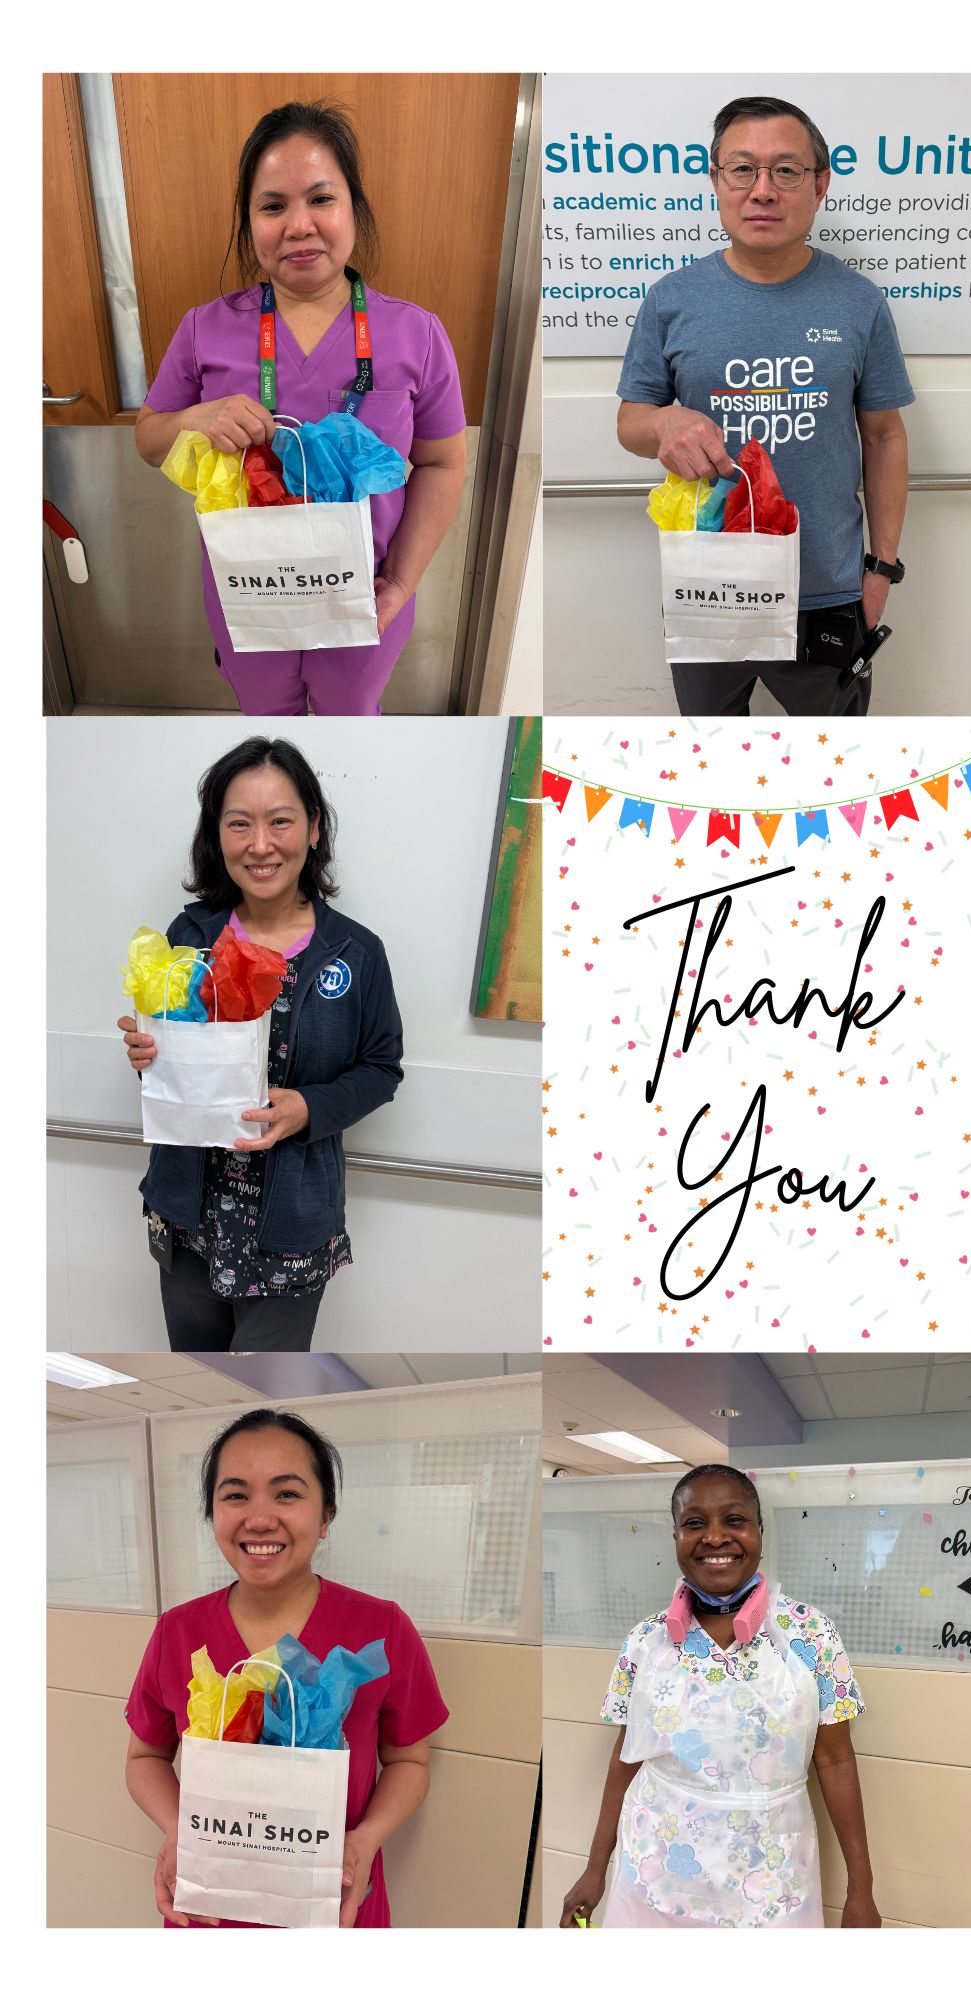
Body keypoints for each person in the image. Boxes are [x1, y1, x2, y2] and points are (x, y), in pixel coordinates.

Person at [134, 100, 467, 716]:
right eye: (272, 206)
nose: (299, 225)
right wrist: (193, 419)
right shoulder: (206, 329)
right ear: (249, 223)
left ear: (353, 209)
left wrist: (399, 583)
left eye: (321, 199)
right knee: (267, 725)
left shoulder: (416, 334)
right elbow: (149, 440)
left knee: (350, 721)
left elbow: (442, 462)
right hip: (249, 594)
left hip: (365, 598)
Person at [618, 94, 913, 718]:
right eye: (742, 170)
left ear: (820, 185)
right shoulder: (671, 300)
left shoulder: (859, 302)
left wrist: (881, 569)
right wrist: (664, 421)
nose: (763, 190)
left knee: (835, 758)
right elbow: (631, 422)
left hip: (827, 588)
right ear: (716, 181)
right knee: (711, 756)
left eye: (785, 170)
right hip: (708, 584)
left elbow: (885, 436)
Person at [116, 737, 403, 1351]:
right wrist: (147, 1056)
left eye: (280, 821)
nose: (260, 844)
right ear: (217, 835)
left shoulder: (356, 952)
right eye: (239, 823)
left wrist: (308, 1108)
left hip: (292, 1222)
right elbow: (178, 1060)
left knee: (272, 1384)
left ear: (314, 828)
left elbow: (382, 1068)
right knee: (197, 1375)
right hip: (188, 1212)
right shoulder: (190, 933)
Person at [124, 1407, 448, 1927]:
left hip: (334, 1904)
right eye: (235, 1495)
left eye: (287, 1494)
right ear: (213, 1514)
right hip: (208, 1911)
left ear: (325, 1517)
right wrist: (177, 1827)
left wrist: (366, 1840)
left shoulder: (382, 1630)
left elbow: (410, 1761)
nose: (259, 1519)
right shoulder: (177, 1632)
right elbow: (145, 1756)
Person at [561, 1463, 881, 1928]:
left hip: (770, 1882)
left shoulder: (811, 1635)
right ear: (676, 1536)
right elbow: (625, 1758)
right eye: (694, 1523)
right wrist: (595, 1868)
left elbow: (835, 1761)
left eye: (734, 1520)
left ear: (759, 1532)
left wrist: (861, 1891)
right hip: (657, 1873)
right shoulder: (646, 1641)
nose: (714, 1537)